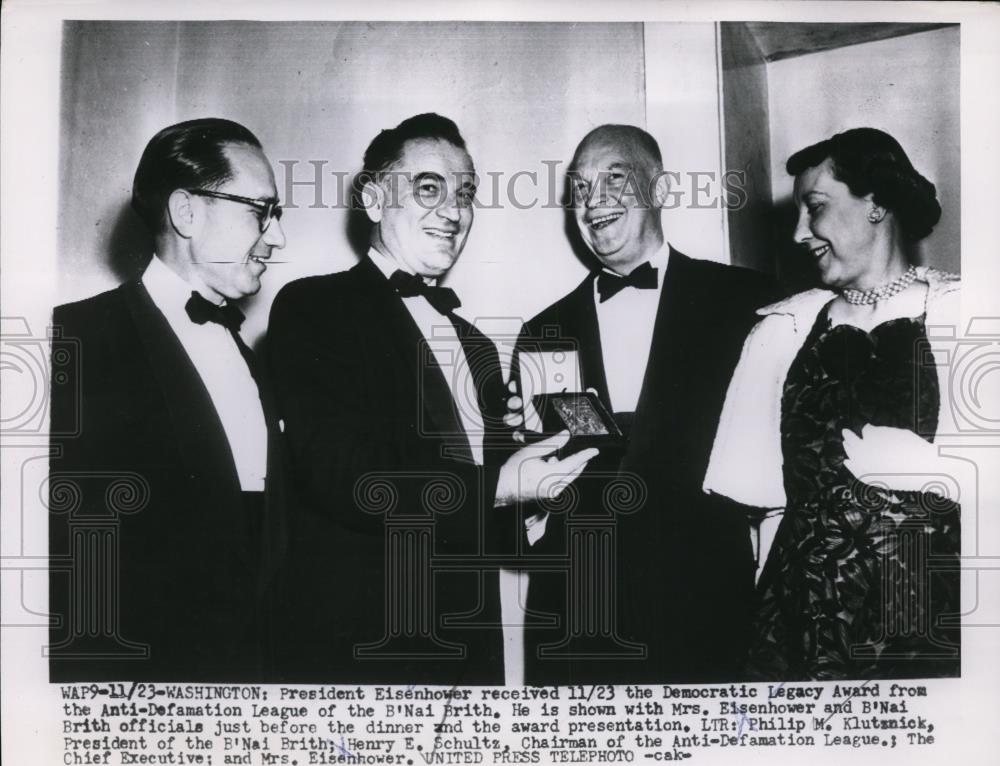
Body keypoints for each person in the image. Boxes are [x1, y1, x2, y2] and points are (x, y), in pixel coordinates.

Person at [266, 113, 594, 685]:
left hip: (469, 653)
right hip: (362, 651)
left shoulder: (480, 346)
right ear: (373, 200)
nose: (454, 212)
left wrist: (537, 490)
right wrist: (501, 484)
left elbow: (491, 521)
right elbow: (344, 475)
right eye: (428, 188)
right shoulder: (314, 307)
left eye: (465, 194)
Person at [510, 124, 777, 684]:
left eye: (614, 177)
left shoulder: (747, 303)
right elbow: (530, 499)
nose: (593, 201)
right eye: (580, 188)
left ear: (660, 188)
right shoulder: (542, 330)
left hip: (706, 613)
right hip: (576, 619)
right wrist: (521, 457)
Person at [704, 127, 961, 680]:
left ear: (877, 204)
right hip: (801, 624)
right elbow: (768, 506)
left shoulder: (963, 315)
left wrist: (937, 471)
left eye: (815, 208)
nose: (799, 232)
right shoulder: (783, 330)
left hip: (926, 623)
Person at [48, 118, 287, 682]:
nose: (277, 237)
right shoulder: (75, 339)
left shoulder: (256, 358)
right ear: (186, 212)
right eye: (261, 211)